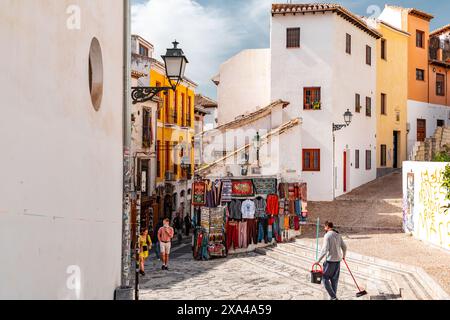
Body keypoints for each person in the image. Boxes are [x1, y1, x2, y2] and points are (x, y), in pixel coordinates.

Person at [316, 221, 347, 301]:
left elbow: (324, 249)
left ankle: (333, 297)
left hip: (330, 261)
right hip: (338, 262)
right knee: (334, 281)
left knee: (324, 278)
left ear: (327, 227)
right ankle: (333, 298)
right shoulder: (338, 234)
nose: (324, 228)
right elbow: (344, 247)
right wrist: (343, 256)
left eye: (324, 227)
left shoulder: (327, 235)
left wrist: (318, 260)